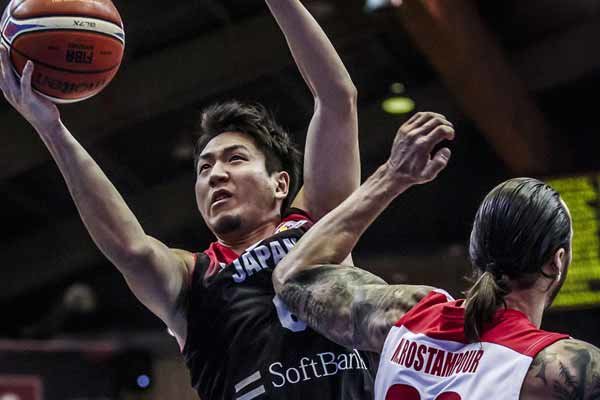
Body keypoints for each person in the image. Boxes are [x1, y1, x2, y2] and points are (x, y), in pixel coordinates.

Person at [0, 0, 390, 398]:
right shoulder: (193, 279)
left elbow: (337, 98)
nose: (215, 174)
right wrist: (52, 131)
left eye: (235, 159)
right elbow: (130, 248)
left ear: (280, 184)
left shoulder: (318, 223)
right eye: (204, 168)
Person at [273, 115, 600, 400]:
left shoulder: (405, 315)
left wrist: (391, 176)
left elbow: (292, 273)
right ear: (556, 262)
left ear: (476, 252)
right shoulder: (564, 366)